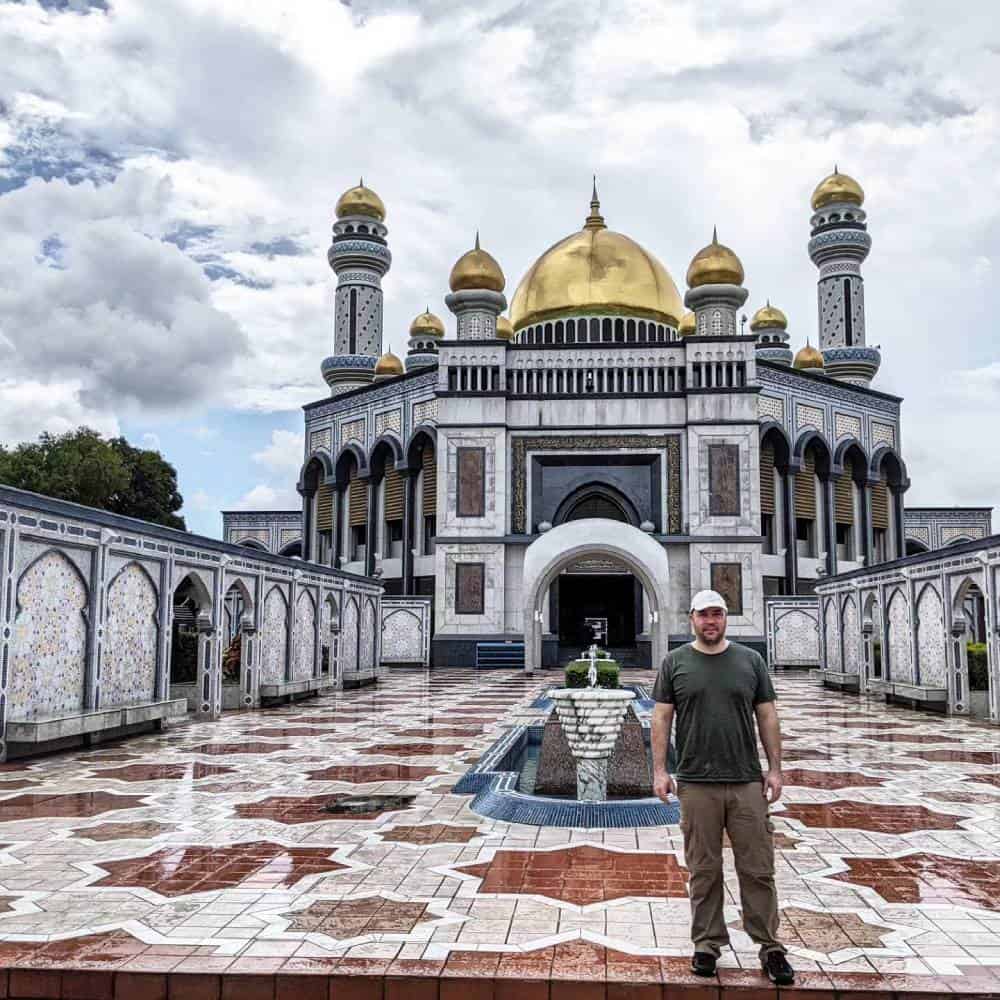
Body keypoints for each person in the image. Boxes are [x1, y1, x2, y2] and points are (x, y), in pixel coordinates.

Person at [651, 589, 794, 986]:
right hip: (696, 784)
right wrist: (661, 771)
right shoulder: (675, 663)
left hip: (746, 780)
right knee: (703, 868)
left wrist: (775, 769)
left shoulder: (750, 661)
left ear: (726, 618)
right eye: (703, 615)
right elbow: (661, 719)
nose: (710, 622)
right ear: (691, 618)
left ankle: (770, 947)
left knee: (758, 868)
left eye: (717, 615)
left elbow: (767, 715)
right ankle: (707, 945)